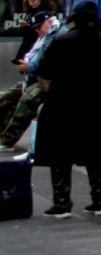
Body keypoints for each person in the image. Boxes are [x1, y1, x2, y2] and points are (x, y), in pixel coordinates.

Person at [34, 1, 101, 217]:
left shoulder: (63, 41)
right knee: (97, 154)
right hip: (96, 107)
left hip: (63, 105)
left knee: (60, 155)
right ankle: (100, 200)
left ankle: (62, 203)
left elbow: (45, 68)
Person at [0, 10, 60, 154]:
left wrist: (29, 66)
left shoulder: (57, 35)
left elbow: (45, 62)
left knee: (27, 101)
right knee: (7, 97)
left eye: (40, 26)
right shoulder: (43, 37)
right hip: (33, 77)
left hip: (48, 80)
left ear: (50, 22)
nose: (38, 30)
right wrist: (25, 64)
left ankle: (7, 140)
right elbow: (33, 56)